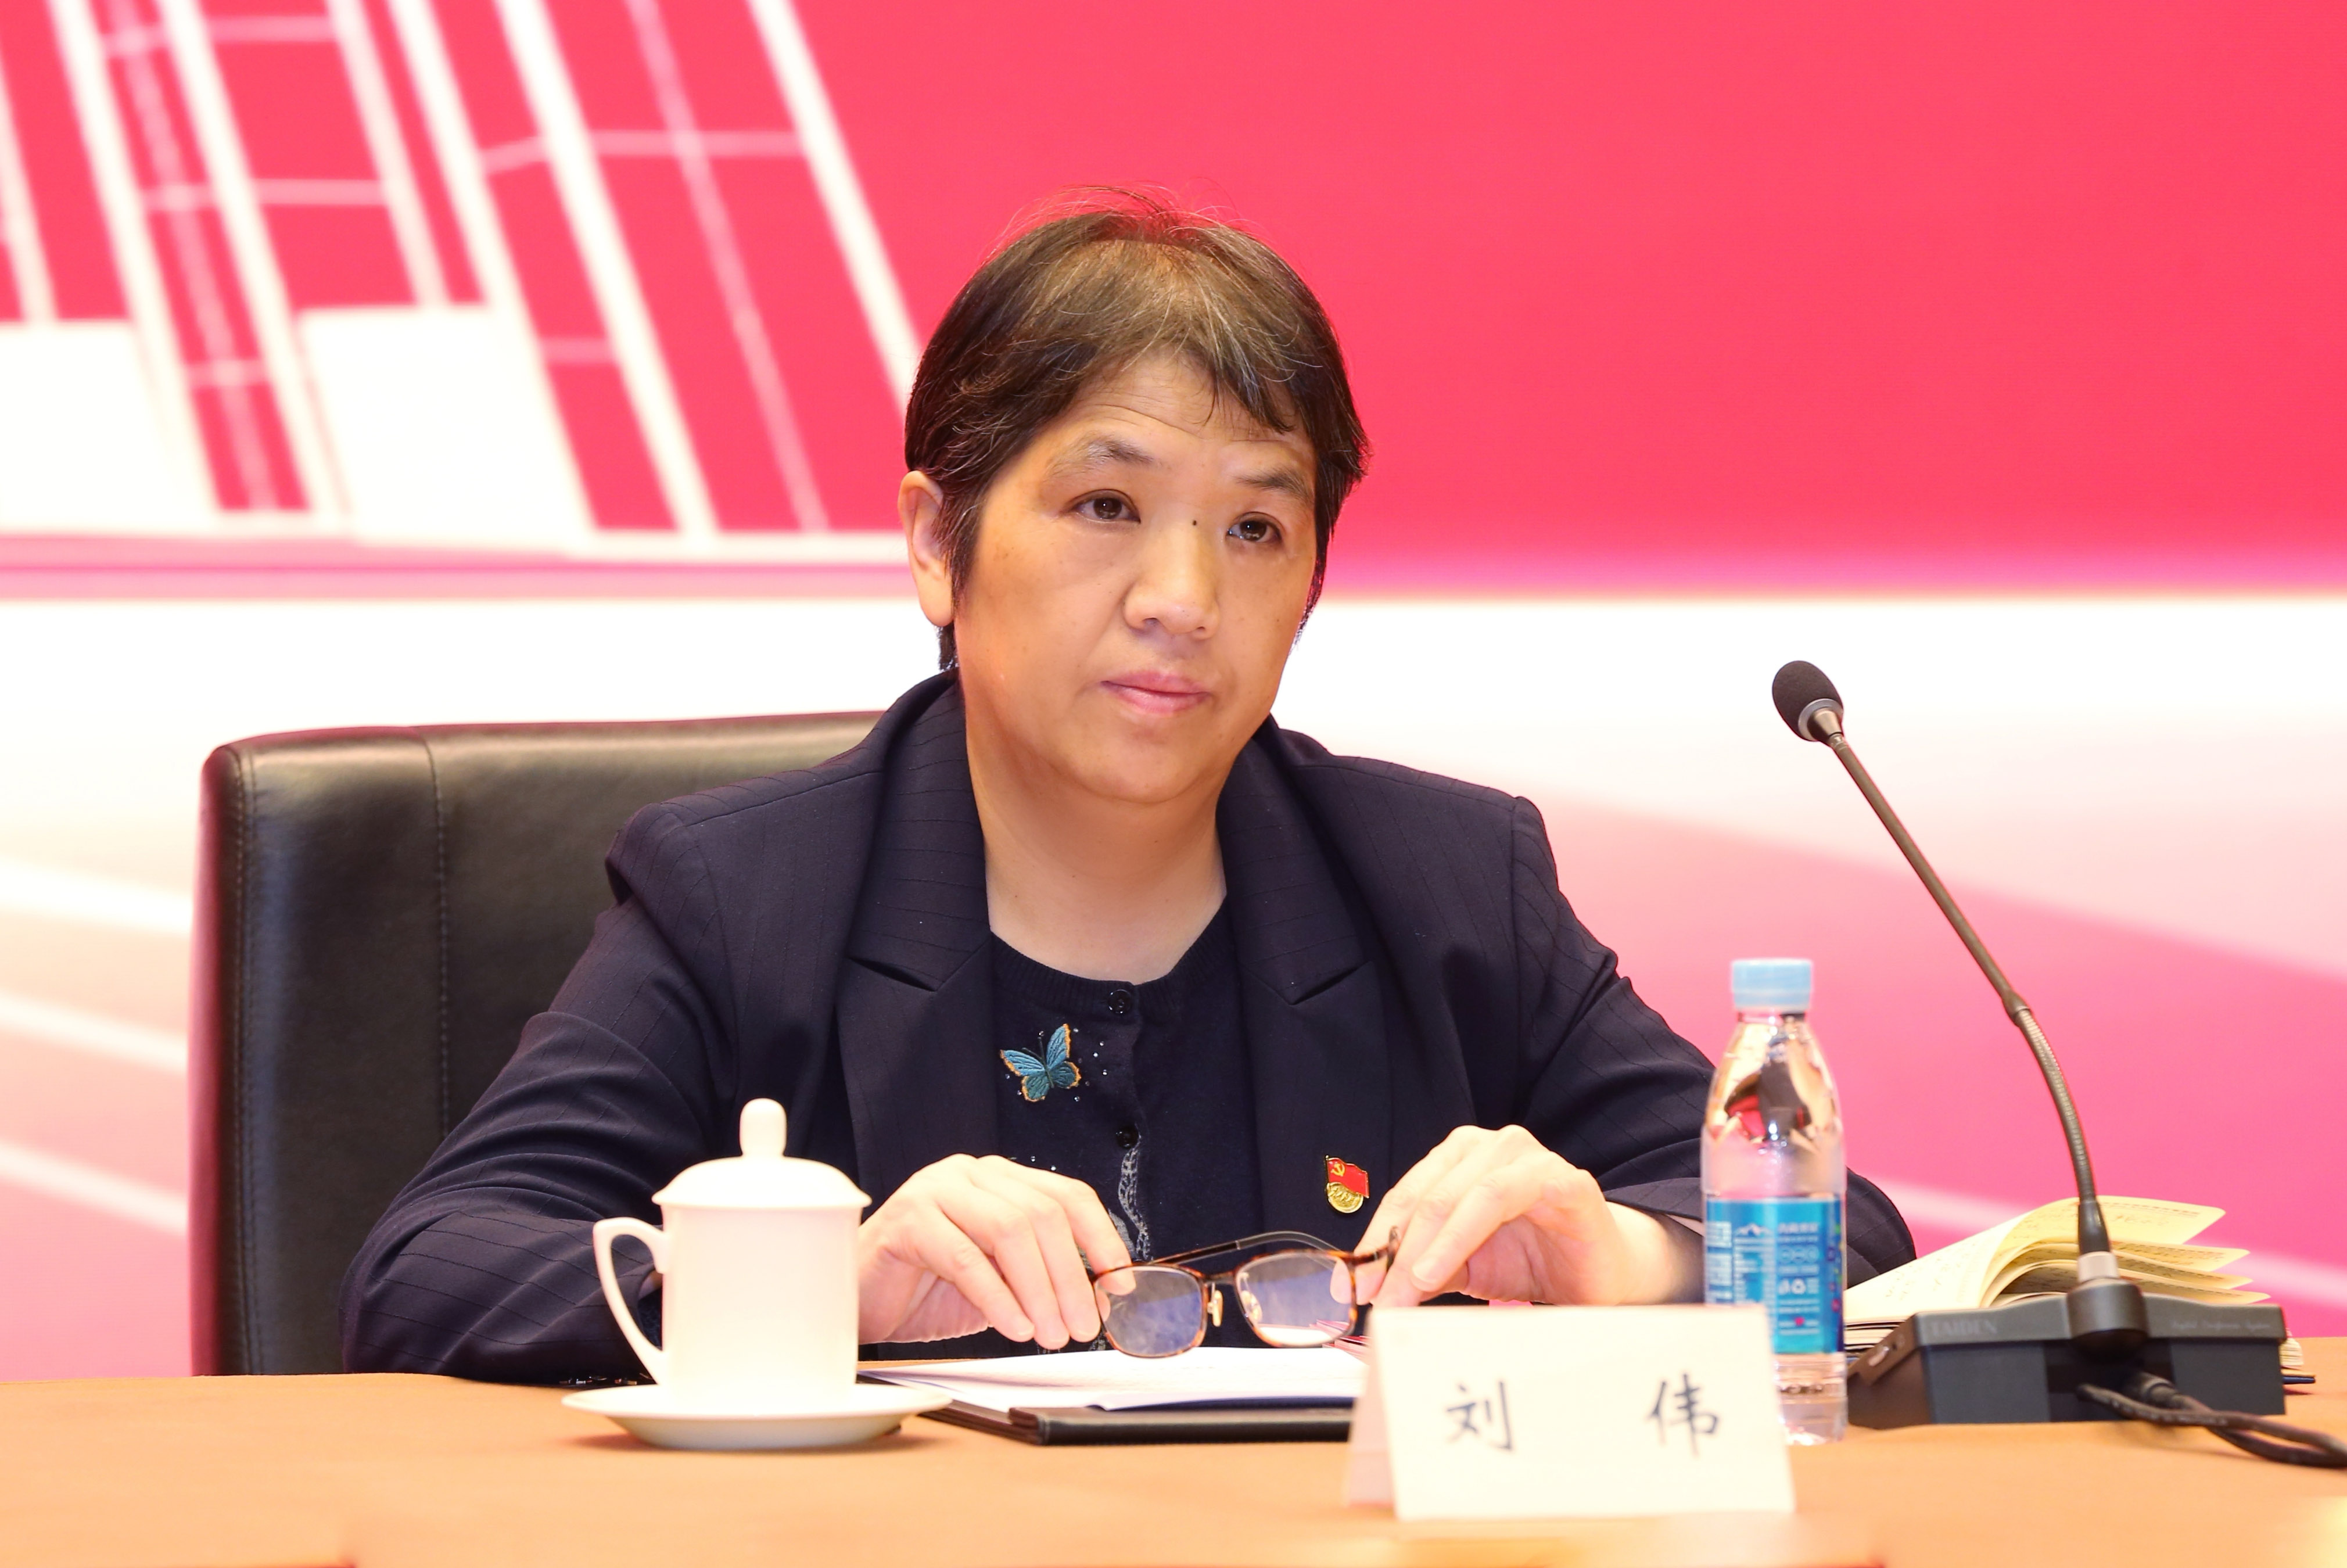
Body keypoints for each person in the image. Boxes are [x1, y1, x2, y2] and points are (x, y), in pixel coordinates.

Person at [342, 195, 1912, 1380]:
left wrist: (1617, 1254)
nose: (1183, 597)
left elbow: (1841, 1231)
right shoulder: (748, 899)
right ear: (936, 542)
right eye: (1107, 504)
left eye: (1256, 528)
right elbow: (431, 1271)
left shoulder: (1443, 885)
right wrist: (820, 1283)